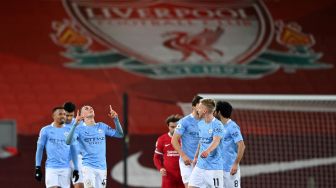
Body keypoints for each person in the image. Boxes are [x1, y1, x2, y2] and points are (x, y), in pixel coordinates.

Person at [66, 105, 124, 188]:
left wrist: (116, 119)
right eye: (86, 108)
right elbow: (68, 141)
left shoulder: (102, 126)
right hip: (88, 167)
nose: (90, 109)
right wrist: (75, 125)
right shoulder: (79, 129)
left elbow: (120, 134)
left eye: (91, 108)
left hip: (102, 168)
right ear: (82, 115)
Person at [35, 106, 79, 188]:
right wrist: (38, 167)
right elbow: (40, 149)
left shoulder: (70, 130)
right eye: (60, 114)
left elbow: (73, 150)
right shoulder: (45, 130)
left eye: (64, 114)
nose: (63, 116)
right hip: (51, 168)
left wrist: (76, 168)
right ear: (53, 116)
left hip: (66, 168)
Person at [188, 98, 224, 188]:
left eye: (199, 108)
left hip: (214, 167)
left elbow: (216, 141)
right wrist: (196, 156)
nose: (197, 110)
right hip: (200, 166)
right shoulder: (200, 124)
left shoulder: (217, 125)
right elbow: (201, 141)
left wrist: (207, 151)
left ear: (205, 110)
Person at [171, 95, 203, 188]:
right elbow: (174, 140)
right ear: (193, 106)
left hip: (202, 163)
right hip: (187, 162)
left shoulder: (206, 122)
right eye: (200, 105)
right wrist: (183, 156)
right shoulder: (184, 121)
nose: (202, 108)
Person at [214, 101, 245, 188]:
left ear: (219, 112)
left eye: (215, 111)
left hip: (230, 169)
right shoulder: (218, 126)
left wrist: (235, 163)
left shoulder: (232, 127)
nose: (214, 113)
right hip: (218, 168)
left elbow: (242, 146)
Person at [153, 114, 184, 188]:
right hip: (168, 177)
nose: (175, 129)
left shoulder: (186, 139)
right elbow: (156, 158)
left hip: (184, 175)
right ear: (168, 127)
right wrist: (160, 168)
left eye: (177, 127)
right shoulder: (162, 139)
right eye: (172, 127)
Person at [63, 102, 84, 188]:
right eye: (67, 115)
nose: (69, 118)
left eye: (71, 115)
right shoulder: (57, 125)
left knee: (80, 185)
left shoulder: (80, 123)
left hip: (77, 158)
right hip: (63, 159)